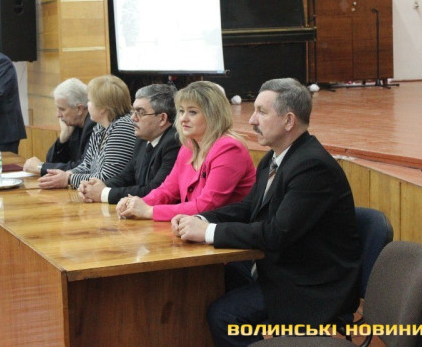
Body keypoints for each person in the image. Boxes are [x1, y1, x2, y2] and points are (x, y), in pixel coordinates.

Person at [172, 78, 361, 346]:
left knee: (223, 316)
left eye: (261, 112)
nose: (251, 120)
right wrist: (201, 219)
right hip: (281, 270)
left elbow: (276, 234)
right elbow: (248, 208)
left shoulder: (312, 167)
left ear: (288, 121)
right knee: (210, 282)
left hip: (310, 287)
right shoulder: (275, 157)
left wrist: (208, 232)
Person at [116, 80, 256, 222]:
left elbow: (206, 206)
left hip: (225, 231)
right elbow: (167, 190)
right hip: (192, 229)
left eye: (192, 112)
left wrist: (149, 211)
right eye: (181, 111)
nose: (183, 119)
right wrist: (136, 203)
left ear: (213, 115)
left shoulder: (229, 149)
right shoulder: (189, 146)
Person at [78, 83, 180, 204]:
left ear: (162, 119)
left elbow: (154, 191)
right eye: (133, 111)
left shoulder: (173, 143)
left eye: (140, 112)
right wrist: (95, 187)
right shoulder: (142, 139)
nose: (132, 118)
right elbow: (127, 176)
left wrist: (104, 193)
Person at [38, 75, 135, 190]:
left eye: (89, 101)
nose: (86, 105)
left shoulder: (122, 127)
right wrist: (66, 174)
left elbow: (107, 177)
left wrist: (68, 179)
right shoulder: (100, 127)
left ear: (103, 107)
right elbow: (87, 165)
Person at [23, 78, 95, 176]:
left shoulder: (93, 126)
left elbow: (83, 168)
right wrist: (63, 138)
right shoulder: (74, 124)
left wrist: (41, 167)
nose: (58, 115)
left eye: (62, 109)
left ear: (79, 109)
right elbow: (51, 161)